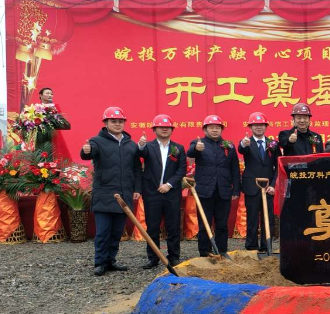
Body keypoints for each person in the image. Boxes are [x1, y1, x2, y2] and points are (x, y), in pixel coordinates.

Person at [81, 107, 141, 276]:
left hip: (124, 195)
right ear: (105, 123)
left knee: (116, 232)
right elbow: (89, 152)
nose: (117, 124)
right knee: (103, 232)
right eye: (113, 121)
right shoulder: (97, 141)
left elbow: (137, 169)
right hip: (104, 194)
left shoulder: (131, 145)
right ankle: (100, 263)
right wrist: (86, 151)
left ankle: (111, 260)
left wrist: (137, 188)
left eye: (120, 121)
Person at [137, 114, 187, 269]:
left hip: (171, 193)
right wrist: (140, 146)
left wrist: (169, 184)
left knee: (173, 227)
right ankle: (153, 258)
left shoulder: (178, 148)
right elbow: (140, 154)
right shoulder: (148, 147)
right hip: (152, 193)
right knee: (152, 227)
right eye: (161, 127)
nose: (164, 129)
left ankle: (174, 257)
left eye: (167, 127)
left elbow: (181, 170)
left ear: (172, 130)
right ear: (154, 129)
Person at [187, 114, 240, 259]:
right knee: (204, 223)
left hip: (224, 191)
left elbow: (235, 168)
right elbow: (190, 152)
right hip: (204, 192)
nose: (215, 130)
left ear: (221, 129)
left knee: (222, 224)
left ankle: (221, 251)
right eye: (211, 127)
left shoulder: (229, 145)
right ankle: (205, 252)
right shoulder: (199, 143)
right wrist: (196, 149)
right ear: (205, 130)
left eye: (217, 127)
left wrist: (236, 189)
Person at [238, 112, 279, 253]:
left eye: (261, 125)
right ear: (250, 127)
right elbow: (241, 149)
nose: (259, 127)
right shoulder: (246, 142)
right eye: (255, 125)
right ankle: (251, 247)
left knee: (268, 218)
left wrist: (273, 185)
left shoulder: (273, 144)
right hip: (252, 186)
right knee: (252, 218)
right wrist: (243, 144)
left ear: (266, 127)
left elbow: (278, 166)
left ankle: (266, 246)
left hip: (268, 187)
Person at [35, 87, 70, 151]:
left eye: (51, 94)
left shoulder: (55, 107)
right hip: (40, 135)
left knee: (54, 151)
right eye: (47, 93)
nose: (50, 95)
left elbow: (59, 120)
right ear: (40, 95)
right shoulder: (36, 107)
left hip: (53, 133)